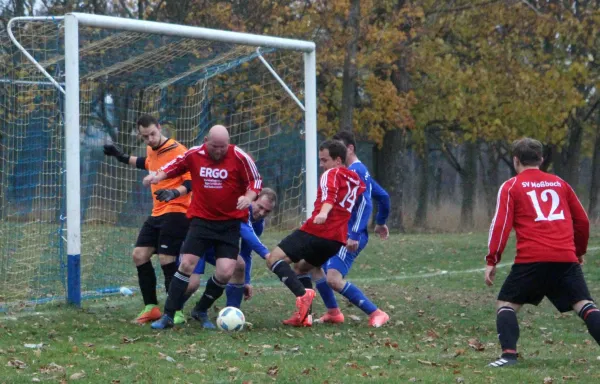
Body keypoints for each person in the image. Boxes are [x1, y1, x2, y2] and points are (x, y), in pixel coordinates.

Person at [485, 138, 596, 368]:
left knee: (506, 305)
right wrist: (579, 250)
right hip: (565, 259)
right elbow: (582, 221)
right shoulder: (560, 183)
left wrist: (492, 259)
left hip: (531, 260)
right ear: (541, 159)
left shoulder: (511, 186)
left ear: (516, 160)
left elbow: (500, 225)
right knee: (585, 305)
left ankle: (508, 356)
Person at [144, 125, 262, 330]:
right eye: (215, 146)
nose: (219, 151)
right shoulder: (194, 154)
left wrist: (249, 197)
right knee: (186, 264)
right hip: (201, 221)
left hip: (229, 224)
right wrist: (158, 176)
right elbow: (175, 165)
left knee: (225, 272)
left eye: (223, 147)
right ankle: (169, 315)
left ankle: (201, 309)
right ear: (206, 140)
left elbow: (256, 180)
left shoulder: (240, 157)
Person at [102, 114, 191, 324]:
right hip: (157, 211)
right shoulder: (151, 149)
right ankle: (151, 307)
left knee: (166, 259)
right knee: (139, 255)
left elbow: (191, 182)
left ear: (160, 128)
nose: (150, 139)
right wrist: (120, 156)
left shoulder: (179, 150)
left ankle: (175, 311)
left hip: (178, 210)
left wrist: (173, 193)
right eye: (145, 137)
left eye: (152, 133)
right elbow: (146, 163)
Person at [265, 139, 365, 327]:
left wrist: (324, 213)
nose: (321, 165)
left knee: (273, 258)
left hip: (318, 230)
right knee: (302, 268)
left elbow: (330, 196)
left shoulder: (331, 174)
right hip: (336, 240)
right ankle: (305, 317)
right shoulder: (354, 180)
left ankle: (302, 294)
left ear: (337, 160)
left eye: (324, 160)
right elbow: (358, 201)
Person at [309, 131, 390, 327]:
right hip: (336, 232)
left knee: (333, 279)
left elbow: (366, 203)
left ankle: (377, 313)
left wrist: (355, 233)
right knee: (313, 265)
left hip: (349, 234)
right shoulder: (354, 171)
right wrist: (380, 222)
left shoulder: (357, 171)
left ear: (349, 149)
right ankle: (333, 312)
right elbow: (383, 196)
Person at [179, 188, 277, 325]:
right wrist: (267, 254)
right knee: (192, 284)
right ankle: (175, 310)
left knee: (239, 266)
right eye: (260, 207)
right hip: (199, 242)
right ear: (253, 200)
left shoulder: (258, 224)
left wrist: (246, 281)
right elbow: (246, 232)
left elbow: (246, 252)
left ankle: (231, 316)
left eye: (267, 211)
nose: (261, 213)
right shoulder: (239, 208)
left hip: (219, 248)